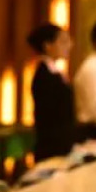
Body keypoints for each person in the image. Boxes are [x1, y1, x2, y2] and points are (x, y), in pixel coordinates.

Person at [27, 23, 76, 162]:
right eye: (63, 41)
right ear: (48, 45)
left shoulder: (54, 72)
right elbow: (51, 118)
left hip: (61, 146)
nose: (70, 45)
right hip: (52, 148)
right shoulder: (44, 75)